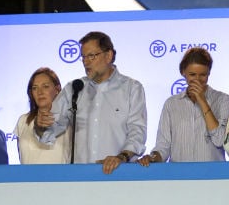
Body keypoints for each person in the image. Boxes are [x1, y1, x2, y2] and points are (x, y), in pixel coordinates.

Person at [35, 31, 146, 173]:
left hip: (119, 174)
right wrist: (41, 126)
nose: (86, 62)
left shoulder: (132, 88)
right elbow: (50, 131)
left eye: (92, 56)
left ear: (108, 55)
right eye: (83, 57)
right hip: (81, 179)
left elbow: (137, 132)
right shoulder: (73, 89)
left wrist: (121, 157)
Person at [139, 47, 229, 165]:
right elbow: (163, 145)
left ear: (209, 73)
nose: (197, 80)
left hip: (213, 176)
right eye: (192, 74)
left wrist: (202, 101)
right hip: (179, 177)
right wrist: (153, 158)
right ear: (183, 73)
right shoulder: (171, 104)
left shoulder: (222, 99)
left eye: (203, 75)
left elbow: (220, 140)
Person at [14, 67, 71, 164]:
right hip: (28, 178)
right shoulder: (23, 121)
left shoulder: (69, 119)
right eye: (35, 88)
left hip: (60, 178)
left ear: (57, 89)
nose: (40, 92)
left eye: (45, 86)